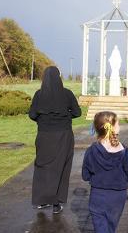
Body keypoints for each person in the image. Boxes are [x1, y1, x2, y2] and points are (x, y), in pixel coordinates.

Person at [29, 66, 81, 214]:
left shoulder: (39, 94)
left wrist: (44, 119)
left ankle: (40, 201)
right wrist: (64, 117)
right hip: (64, 135)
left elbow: (32, 115)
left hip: (44, 135)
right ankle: (57, 203)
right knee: (62, 167)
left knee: (42, 166)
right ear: (59, 77)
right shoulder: (67, 94)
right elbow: (77, 112)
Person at [82, 111, 128, 233]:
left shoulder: (91, 150)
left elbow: (85, 176)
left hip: (97, 195)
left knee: (101, 228)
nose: (119, 126)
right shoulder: (125, 151)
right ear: (111, 127)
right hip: (118, 198)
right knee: (110, 228)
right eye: (118, 123)